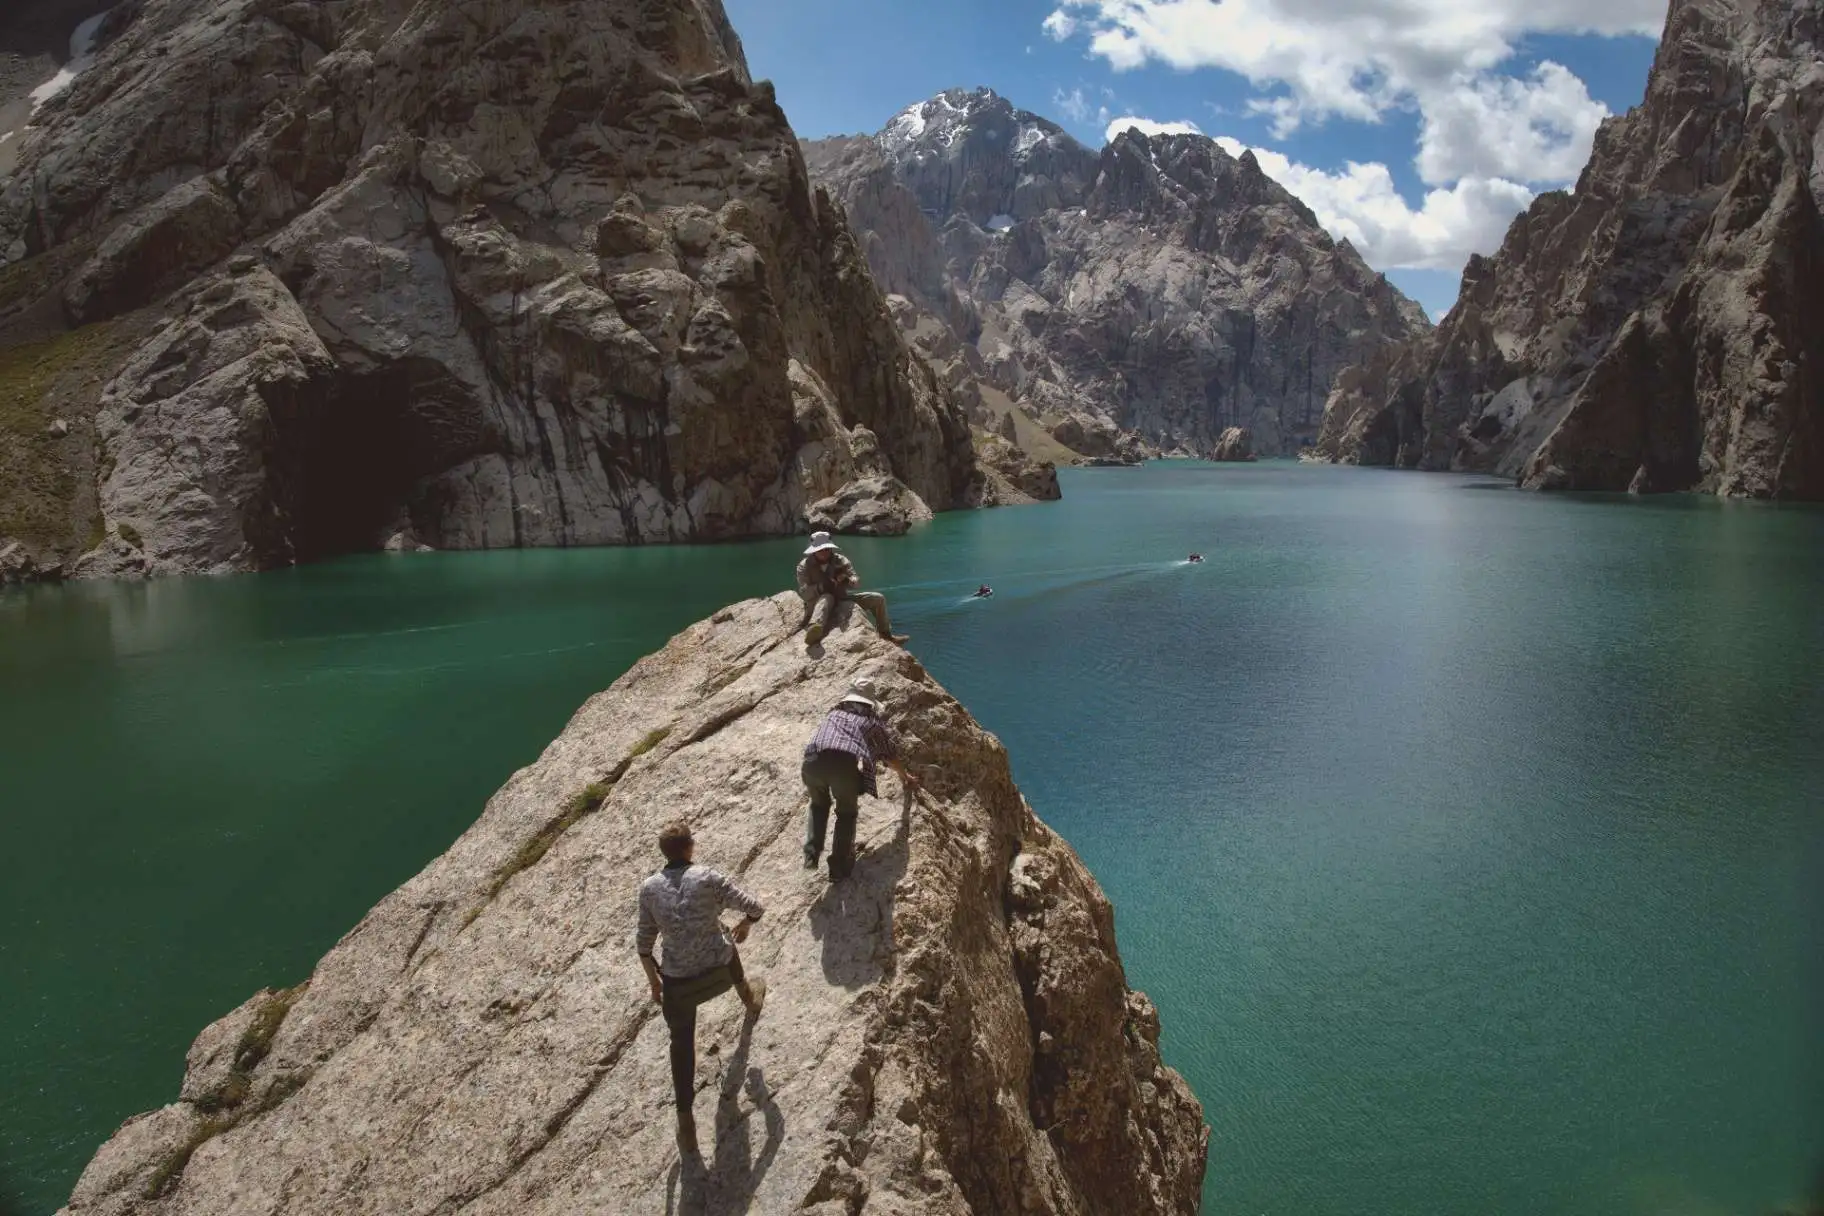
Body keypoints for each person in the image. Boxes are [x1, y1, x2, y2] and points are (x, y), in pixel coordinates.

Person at [635, 822, 766, 1153]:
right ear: (689, 847)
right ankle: (749, 999)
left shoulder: (649, 889)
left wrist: (654, 983)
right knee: (725, 939)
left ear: (665, 853)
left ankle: (686, 1123)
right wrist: (746, 925)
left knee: (680, 1044)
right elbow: (754, 907)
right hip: (719, 971)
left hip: (680, 984)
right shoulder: (706, 876)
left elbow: (644, 946)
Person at [801, 676, 918, 880]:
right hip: (841, 765)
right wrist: (905, 776)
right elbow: (889, 756)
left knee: (819, 806)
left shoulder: (833, 713)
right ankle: (838, 869)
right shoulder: (871, 722)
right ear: (870, 703)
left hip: (811, 763)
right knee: (846, 814)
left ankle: (811, 857)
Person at [796, 532, 907, 646]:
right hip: (818, 602)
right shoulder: (804, 566)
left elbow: (854, 579)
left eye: (827, 549)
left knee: (878, 598)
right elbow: (804, 593)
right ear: (814, 551)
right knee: (827, 597)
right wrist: (822, 586)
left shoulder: (840, 560)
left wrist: (849, 580)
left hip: (841, 598)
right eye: (821, 550)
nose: (824, 552)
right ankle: (814, 628)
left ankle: (886, 634)